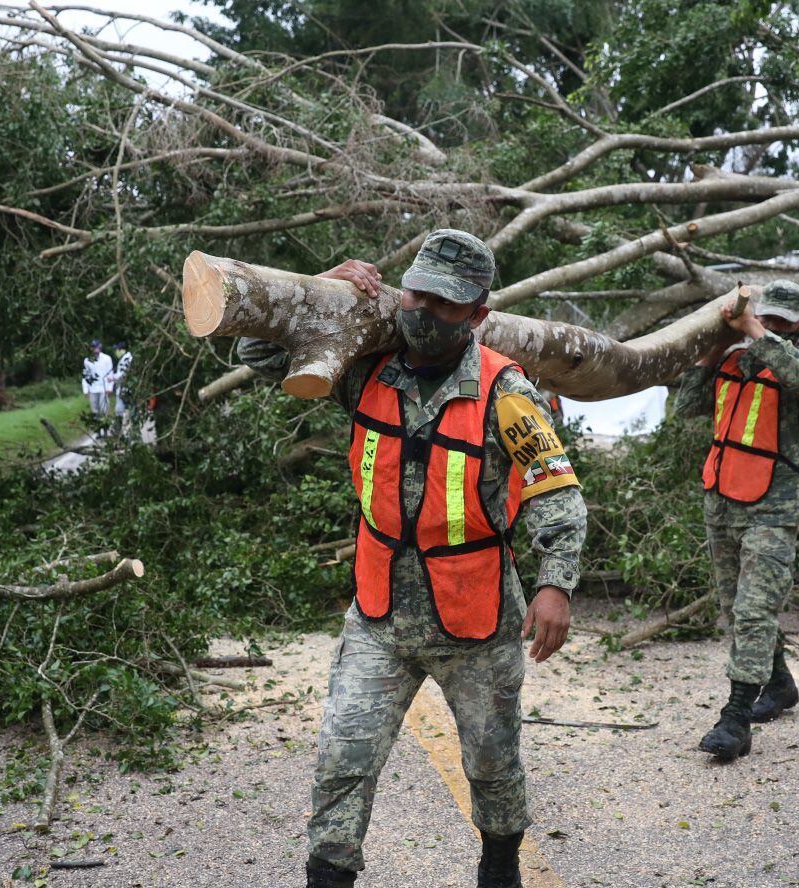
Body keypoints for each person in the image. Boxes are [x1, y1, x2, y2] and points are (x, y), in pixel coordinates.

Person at [238, 229, 585, 888]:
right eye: (416, 293)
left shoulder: (506, 391)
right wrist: (321, 289)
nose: (422, 312)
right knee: (344, 756)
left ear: (478, 313)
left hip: (476, 620)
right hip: (379, 615)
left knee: (492, 761)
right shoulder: (367, 366)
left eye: (444, 304)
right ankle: (328, 876)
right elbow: (259, 351)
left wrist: (556, 585)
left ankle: (500, 866)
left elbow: (557, 493)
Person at [671, 281, 799, 761]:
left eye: (787, 322)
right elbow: (686, 408)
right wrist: (713, 350)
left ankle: (735, 720)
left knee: (754, 611)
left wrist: (755, 331)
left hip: (774, 506)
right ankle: (780, 684)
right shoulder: (735, 361)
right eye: (771, 317)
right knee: (736, 609)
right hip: (721, 500)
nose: (777, 327)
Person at [80, 341, 113, 418]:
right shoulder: (87, 360)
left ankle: (105, 427)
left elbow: (110, 373)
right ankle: (97, 428)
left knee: (104, 410)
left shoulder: (107, 358)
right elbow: (85, 375)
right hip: (92, 389)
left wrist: (110, 387)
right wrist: (85, 390)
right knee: (94, 411)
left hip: (104, 388)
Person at [109, 342, 134, 419]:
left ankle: (125, 428)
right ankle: (119, 429)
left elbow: (123, 373)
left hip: (126, 389)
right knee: (120, 410)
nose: (116, 352)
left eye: (117, 350)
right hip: (123, 389)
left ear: (121, 350)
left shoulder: (127, 359)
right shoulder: (124, 358)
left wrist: (113, 378)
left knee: (121, 410)